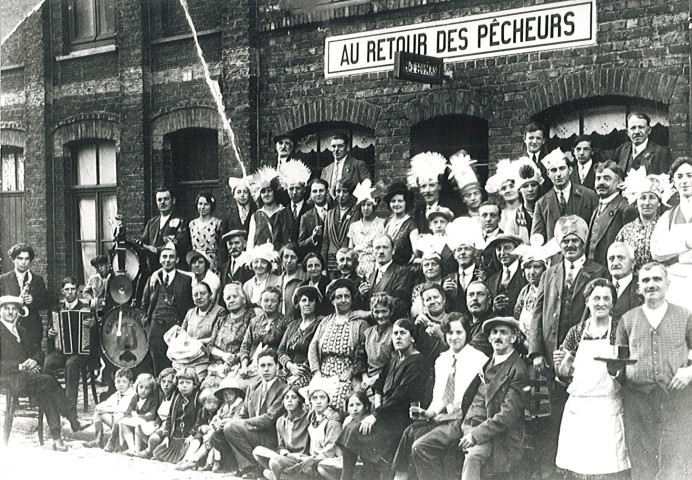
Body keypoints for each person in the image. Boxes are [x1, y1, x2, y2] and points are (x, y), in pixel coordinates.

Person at [528, 215, 608, 477]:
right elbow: (538, 312)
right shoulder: (550, 272)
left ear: (583, 243)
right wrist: (537, 352)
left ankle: (581, 469)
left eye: (575, 240)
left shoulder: (597, 271)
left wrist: (576, 351)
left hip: (581, 354)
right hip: (551, 357)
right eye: (565, 241)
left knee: (581, 413)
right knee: (553, 414)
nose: (570, 245)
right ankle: (556, 469)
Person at [411, 316, 527, 480]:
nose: (498, 337)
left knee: (473, 456)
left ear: (513, 338)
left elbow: (507, 415)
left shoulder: (517, 369)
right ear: (488, 337)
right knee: (421, 447)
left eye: (503, 332)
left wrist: (475, 435)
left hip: (492, 433)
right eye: (494, 332)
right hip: (465, 421)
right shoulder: (489, 361)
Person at [612, 262, 692, 480]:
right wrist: (615, 372)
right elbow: (620, 361)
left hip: (676, 398)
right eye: (646, 280)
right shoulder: (627, 320)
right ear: (639, 287)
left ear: (668, 283)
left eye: (657, 279)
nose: (652, 284)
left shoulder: (685, 316)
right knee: (641, 461)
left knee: (676, 459)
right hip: (638, 401)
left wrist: (690, 371)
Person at [394, 312, 488, 480]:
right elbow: (440, 398)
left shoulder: (479, 359)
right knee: (411, 432)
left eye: (459, 332)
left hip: (464, 419)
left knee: (420, 446)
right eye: (450, 333)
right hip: (445, 417)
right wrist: (427, 412)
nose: (454, 337)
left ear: (467, 333)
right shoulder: (442, 360)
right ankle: (401, 476)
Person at [553, 278, 630, 480]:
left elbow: (629, 373)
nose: (601, 303)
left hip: (608, 409)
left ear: (613, 303)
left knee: (608, 470)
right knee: (578, 471)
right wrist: (562, 368)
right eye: (596, 298)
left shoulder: (620, 330)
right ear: (587, 300)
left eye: (606, 298)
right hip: (579, 411)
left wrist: (616, 371)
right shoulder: (576, 333)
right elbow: (562, 376)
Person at [338, 319, 427, 480]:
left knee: (355, 430)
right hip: (385, 412)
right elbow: (378, 384)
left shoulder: (417, 362)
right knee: (350, 427)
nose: (398, 337)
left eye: (403, 333)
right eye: (395, 334)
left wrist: (376, 415)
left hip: (402, 419)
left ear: (412, 337)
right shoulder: (393, 359)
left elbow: (401, 396)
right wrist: (378, 404)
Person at [0, 295, 84, 451]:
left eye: (14, 309)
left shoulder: (21, 330)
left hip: (27, 376)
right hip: (8, 378)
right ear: (0, 311)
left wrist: (34, 361)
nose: (11, 313)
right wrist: (20, 366)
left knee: (46, 387)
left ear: (18, 311)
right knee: (48, 381)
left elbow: (38, 352)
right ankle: (72, 418)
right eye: (7, 309)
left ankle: (57, 438)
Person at [209, 348, 287, 478]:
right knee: (215, 435)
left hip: (269, 436)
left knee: (230, 427)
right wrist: (226, 423)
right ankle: (245, 465)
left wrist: (234, 423)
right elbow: (243, 414)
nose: (266, 369)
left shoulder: (283, 389)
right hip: (251, 434)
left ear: (277, 366)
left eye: (269, 365)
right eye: (262, 365)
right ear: (258, 368)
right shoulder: (252, 387)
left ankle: (252, 467)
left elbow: (269, 419)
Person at [308, 278, 369, 409]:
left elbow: (363, 353)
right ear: (332, 300)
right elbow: (313, 347)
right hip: (323, 374)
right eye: (339, 297)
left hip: (346, 376)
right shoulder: (325, 321)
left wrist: (351, 371)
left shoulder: (360, 323)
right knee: (312, 402)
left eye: (347, 296)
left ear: (352, 299)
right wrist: (316, 373)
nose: (343, 300)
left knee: (335, 403)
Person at [141, 242, 194, 375]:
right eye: (164, 257)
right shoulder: (152, 279)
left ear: (176, 260)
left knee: (177, 364)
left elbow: (190, 305)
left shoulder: (186, 279)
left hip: (176, 326)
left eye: (171, 257)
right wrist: (147, 322)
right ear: (160, 260)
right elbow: (144, 303)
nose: (167, 260)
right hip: (156, 327)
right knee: (157, 365)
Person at [44, 276, 96, 406]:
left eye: (73, 289)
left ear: (78, 290)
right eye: (67, 289)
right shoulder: (57, 310)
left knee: (71, 365)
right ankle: (57, 397)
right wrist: (50, 333)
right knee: (47, 364)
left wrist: (93, 325)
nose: (70, 292)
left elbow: (95, 336)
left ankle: (69, 407)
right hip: (61, 350)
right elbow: (50, 330)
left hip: (81, 353)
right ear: (62, 291)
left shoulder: (86, 309)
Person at [531, 149, 599, 249]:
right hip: (556, 260)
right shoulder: (542, 204)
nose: (558, 174)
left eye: (562, 168)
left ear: (570, 170)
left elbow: (597, 231)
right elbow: (537, 239)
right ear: (548, 174)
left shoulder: (588, 195)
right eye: (553, 170)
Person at [650, 157, 692, 312]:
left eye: (690, 175)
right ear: (674, 182)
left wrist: (675, 253)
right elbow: (657, 251)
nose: (685, 181)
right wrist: (686, 244)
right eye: (679, 177)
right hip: (675, 287)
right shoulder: (667, 217)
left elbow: (666, 249)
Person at [616, 167, 671, 271]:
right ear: (636, 203)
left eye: (652, 197)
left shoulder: (666, 227)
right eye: (642, 198)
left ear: (659, 203)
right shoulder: (626, 231)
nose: (647, 203)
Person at [251, 386, 310, 480]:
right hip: (286, 458)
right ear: (283, 401)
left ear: (300, 400)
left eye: (294, 397)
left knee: (274, 462)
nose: (289, 400)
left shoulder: (308, 418)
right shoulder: (280, 421)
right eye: (286, 397)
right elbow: (281, 446)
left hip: (302, 459)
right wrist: (286, 454)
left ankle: (276, 477)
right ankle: (283, 477)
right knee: (257, 451)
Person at [204, 282, 254, 388]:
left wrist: (231, 360)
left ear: (244, 299)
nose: (231, 300)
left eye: (235, 296)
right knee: (205, 391)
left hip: (240, 366)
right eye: (228, 298)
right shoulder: (221, 319)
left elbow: (249, 345)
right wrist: (224, 355)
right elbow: (210, 346)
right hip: (217, 366)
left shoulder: (251, 317)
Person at [237, 287, 292, 383]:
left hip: (275, 366)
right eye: (266, 300)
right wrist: (244, 366)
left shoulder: (286, 322)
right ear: (260, 302)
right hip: (254, 365)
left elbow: (285, 348)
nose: (269, 304)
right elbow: (245, 347)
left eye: (273, 301)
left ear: (279, 303)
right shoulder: (254, 322)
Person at [0, 243, 50, 348]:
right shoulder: (3, 279)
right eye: (20, 258)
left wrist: (33, 300)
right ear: (13, 259)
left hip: (32, 328)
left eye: (27, 259)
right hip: (10, 328)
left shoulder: (37, 279)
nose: (23, 262)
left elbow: (46, 303)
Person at [317, 390, 372, 480]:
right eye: (351, 405)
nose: (355, 409)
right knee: (322, 466)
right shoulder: (349, 421)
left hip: (363, 464)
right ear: (347, 408)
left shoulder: (366, 421)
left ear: (365, 406)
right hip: (349, 460)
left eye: (358, 404)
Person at [152, 368, 201, 465]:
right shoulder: (177, 397)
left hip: (189, 436)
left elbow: (200, 419)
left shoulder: (196, 398)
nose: (184, 385)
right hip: (176, 437)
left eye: (188, 383)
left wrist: (192, 434)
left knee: (194, 444)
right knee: (158, 452)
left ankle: (186, 460)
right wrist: (166, 436)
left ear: (194, 384)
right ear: (177, 385)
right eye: (181, 383)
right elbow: (169, 417)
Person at [278, 285, 323, 389]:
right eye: (303, 300)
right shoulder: (293, 325)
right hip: (288, 369)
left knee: (292, 390)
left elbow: (315, 351)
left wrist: (298, 372)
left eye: (311, 300)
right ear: (298, 304)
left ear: (316, 303)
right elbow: (281, 350)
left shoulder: (320, 323)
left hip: (307, 372)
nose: (307, 303)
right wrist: (289, 365)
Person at [586, 161, 629, 266]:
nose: (601, 182)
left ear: (619, 183)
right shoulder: (597, 207)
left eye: (607, 178)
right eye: (598, 178)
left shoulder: (625, 208)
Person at [359, 234, 414, 316]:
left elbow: (400, 303)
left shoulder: (402, 272)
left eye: (385, 247)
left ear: (393, 251)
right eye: (377, 248)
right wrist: (362, 296)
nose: (381, 251)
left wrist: (370, 314)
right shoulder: (371, 276)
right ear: (373, 252)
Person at [84, 367, 136, 451]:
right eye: (118, 382)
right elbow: (108, 402)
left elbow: (123, 409)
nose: (121, 384)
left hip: (128, 425)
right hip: (116, 423)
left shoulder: (132, 394)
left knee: (120, 415)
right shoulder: (117, 394)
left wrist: (106, 410)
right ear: (115, 383)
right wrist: (99, 407)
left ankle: (112, 441)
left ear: (131, 383)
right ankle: (98, 439)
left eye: (124, 382)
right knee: (98, 413)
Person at [408, 151, 460, 233]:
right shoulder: (418, 211)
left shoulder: (451, 207)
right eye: (424, 186)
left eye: (432, 185)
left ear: (439, 186)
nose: (427, 191)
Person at [139, 187, 191, 270]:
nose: (162, 202)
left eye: (166, 199)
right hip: (153, 269)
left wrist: (156, 250)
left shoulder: (182, 221)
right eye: (159, 200)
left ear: (173, 201)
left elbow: (180, 243)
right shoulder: (151, 223)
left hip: (174, 269)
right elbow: (144, 241)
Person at [133, 368, 178, 459]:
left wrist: (162, 430)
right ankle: (137, 449)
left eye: (170, 382)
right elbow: (159, 415)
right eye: (163, 381)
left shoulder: (176, 397)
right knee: (139, 428)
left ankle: (149, 451)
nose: (166, 385)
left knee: (154, 438)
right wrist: (157, 423)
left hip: (170, 429)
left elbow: (171, 418)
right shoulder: (162, 396)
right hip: (160, 426)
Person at [321, 178, 362, 277]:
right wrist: (323, 266)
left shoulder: (356, 213)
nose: (341, 195)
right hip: (332, 263)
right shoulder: (330, 214)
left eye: (345, 191)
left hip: (348, 262)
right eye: (338, 191)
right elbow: (325, 241)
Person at [175, 387, 222, 471]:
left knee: (209, 439)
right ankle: (186, 459)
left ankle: (197, 462)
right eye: (209, 402)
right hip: (203, 433)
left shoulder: (219, 412)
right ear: (203, 403)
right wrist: (201, 428)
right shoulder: (202, 411)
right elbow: (197, 424)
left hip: (212, 434)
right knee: (195, 440)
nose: (212, 405)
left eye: (215, 402)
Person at [442, 223, 485, 313]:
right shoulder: (448, 278)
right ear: (454, 255)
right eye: (459, 250)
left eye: (467, 249)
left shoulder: (483, 275)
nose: (462, 253)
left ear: (475, 253)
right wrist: (444, 293)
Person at [348, 179, 386, 278]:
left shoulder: (382, 224)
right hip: (358, 268)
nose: (365, 208)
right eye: (363, 205)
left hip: (376, 267)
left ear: (374, 206)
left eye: (368, 204)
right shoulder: (354, 226)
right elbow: (350, 251)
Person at [484, 234, 527, 318]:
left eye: (507, 248)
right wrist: (493, 307)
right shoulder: (491, 280)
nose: (502, 253)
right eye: (498, 249)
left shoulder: (526, 274)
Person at [247, 166, 289, 251]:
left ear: (275, 192)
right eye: (263, 191)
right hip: (261, 259)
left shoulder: (284, 212)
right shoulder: (256, 216)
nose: (266, 194)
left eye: (269, 190)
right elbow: (251, 242)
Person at [361, 293, 396, 393]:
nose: (380, 316)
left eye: (384, 311)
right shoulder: (368, 332)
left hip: (387, 380)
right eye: (376, 312)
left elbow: (394, 363)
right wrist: (365, 378)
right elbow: (360, 358)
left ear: (391, 311)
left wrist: (373, 380)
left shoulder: (395, 332)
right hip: (367, 379)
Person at [505, 157, 544, 244]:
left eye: (533, 185)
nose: (530, 189)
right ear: (519, 190)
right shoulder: (513, 218)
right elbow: (509, 245)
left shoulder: (546, 211)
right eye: (525, 186)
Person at [120, 373, 160, 455]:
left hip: (149, 425)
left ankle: (137, 449)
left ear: (151, 389)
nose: (143, 390)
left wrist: (137, 415)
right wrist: (135, 416)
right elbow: (127, 413)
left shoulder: (153, 400)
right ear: (137, 387)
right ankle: (131, 447)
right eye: (141, 387)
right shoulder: (135, 398)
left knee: (139, 425)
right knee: (123, 422)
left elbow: (151, 416)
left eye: (147, 388)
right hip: (139, 420)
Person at [320, 133, 372, 198]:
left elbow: (367, 187)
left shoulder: (358, 165)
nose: (336, 149)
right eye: (333, 146)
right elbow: (320, 189)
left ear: (347, 147)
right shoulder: (326, 170)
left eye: (340, 146)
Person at [383, 181, 419, 266]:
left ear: (406, 202)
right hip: (387, 269)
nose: (396, 204)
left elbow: (416, 253)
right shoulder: (388, 221)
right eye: (393, 201)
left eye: (400, 201)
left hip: (402, 271)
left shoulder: (411, 224)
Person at [278, 159, 313, 244]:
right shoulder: (281, 214)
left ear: (304, 189)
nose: (294, 192)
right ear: (287, 190)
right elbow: (276, 241)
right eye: (291, 189)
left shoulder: (311, 210)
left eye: (298, 188)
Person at [181, 282, 226, 347]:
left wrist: (194, 342)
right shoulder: (190, 313)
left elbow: (218, 337)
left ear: (210, 295)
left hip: (209, 352)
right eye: (195, 295)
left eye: (203, 293)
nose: (199, 297)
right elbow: (182, 334)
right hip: (189, 351)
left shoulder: (220, 312)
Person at [189, 192, 223, 272]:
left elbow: (221, 246)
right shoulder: (192, 224)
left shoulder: (217, 223)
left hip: (211, 262)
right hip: (196, 261)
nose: (202, 207)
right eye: (200, 204)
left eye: (206, 204)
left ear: (211, 206)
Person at [607, 242, 643, 319]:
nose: (615, 263)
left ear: (632, 263)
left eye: (621, 258)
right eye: (611, 259)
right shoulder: (601, 284)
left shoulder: (642, 288)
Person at [485, 159, 522, 233]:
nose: (508, 190)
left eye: (512, 186)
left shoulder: (527, 210)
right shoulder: (498, 216)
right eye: (503, 188)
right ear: (499, 192)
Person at [243, 243, 282, 309]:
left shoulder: (277, 281)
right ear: (251, 265)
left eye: (263, 262)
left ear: (268, 265)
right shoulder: (247, 285)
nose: (259, 265)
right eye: (256, 262)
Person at [299, 178, 331, 257]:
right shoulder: (305, 217)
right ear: (310, 194)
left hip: (333, 259)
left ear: (327, 192)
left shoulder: (335, 211)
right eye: (314, 191)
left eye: (321, 190)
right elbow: (301, 244)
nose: (318, 194)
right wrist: (313, 237)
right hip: (315, 260)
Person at [449, 150, 485, 218]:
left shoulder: (490, 216)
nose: (473, 198)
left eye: (476, 193)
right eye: (468, 196)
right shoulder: (461, 221)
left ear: (481, 194)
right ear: (463, 199)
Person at [219, 229, 254, 296]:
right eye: (230, 243)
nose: (233, 247)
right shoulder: (224, 267)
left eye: (237, 243)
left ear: (244, 244)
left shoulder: (250, 264)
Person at [278, 243, 307, 319]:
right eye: (286, 257)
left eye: (293, 257)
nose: (289, 260)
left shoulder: (304, 278)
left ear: (298, 259)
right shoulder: (279, 280)